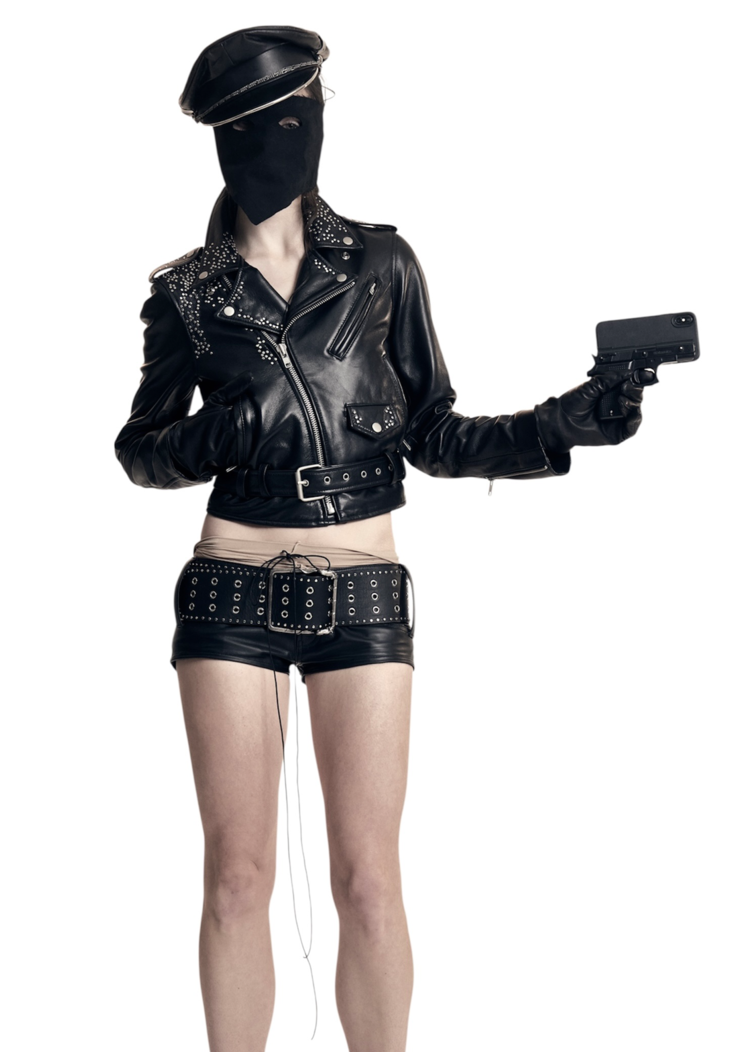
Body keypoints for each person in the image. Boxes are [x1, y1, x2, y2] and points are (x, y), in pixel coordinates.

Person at [114, 25, 644, 1052]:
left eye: (302, 116)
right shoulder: (186, 293)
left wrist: (562, 424)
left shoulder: (382, 264)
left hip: (362, 586)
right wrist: (221, 432)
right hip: (231, 586)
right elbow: (141, 451)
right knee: (237, 876)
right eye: (265, 124)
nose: (288, 138)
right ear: (226, 136)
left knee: (368, 878)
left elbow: (435, 432)